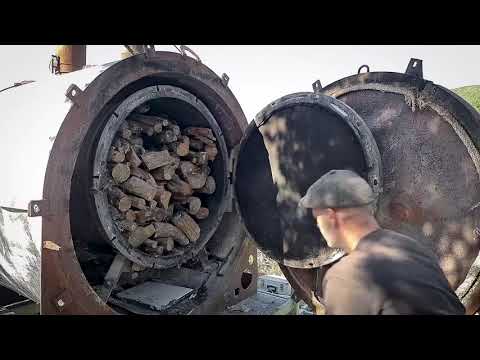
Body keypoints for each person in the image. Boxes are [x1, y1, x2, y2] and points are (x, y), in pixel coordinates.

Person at [299, 169, 465, 315]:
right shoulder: (413, 249)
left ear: (331, 216)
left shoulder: (349, 275)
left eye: (317, 218)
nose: (318, 225)